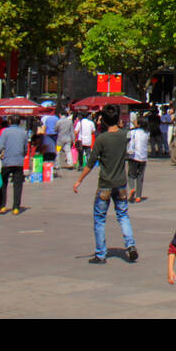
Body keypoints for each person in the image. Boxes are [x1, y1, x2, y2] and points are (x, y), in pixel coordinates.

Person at [73, 103, 138, 265]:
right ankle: (130, 246)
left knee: (100, 219)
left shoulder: (101, 139)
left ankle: (101, 254)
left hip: (105, 185)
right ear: (117, 119)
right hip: (121, 184)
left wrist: (79, 180)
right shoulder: (124, 136)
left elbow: (90, 163)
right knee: (123, 215)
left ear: (103, 120)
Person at [0, 116, 29, 215]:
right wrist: (22, 155)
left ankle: (2, 206)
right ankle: (16, 208)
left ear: (9, 121)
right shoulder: (23, 133)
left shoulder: (5, 132)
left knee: (3, 184)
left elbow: (0, 147)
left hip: (7, 161)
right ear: (20, 122)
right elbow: (25, 148)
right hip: (18, 162)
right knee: (18, 185)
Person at [127, 115, 149, 202]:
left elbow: (127, 138)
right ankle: (138, 196)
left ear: (139, 124)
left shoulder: (132, 132)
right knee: (140, 176)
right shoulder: (147, 133)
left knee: (131, 175)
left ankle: (132, 188)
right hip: (143, 157)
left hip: (134, 156)